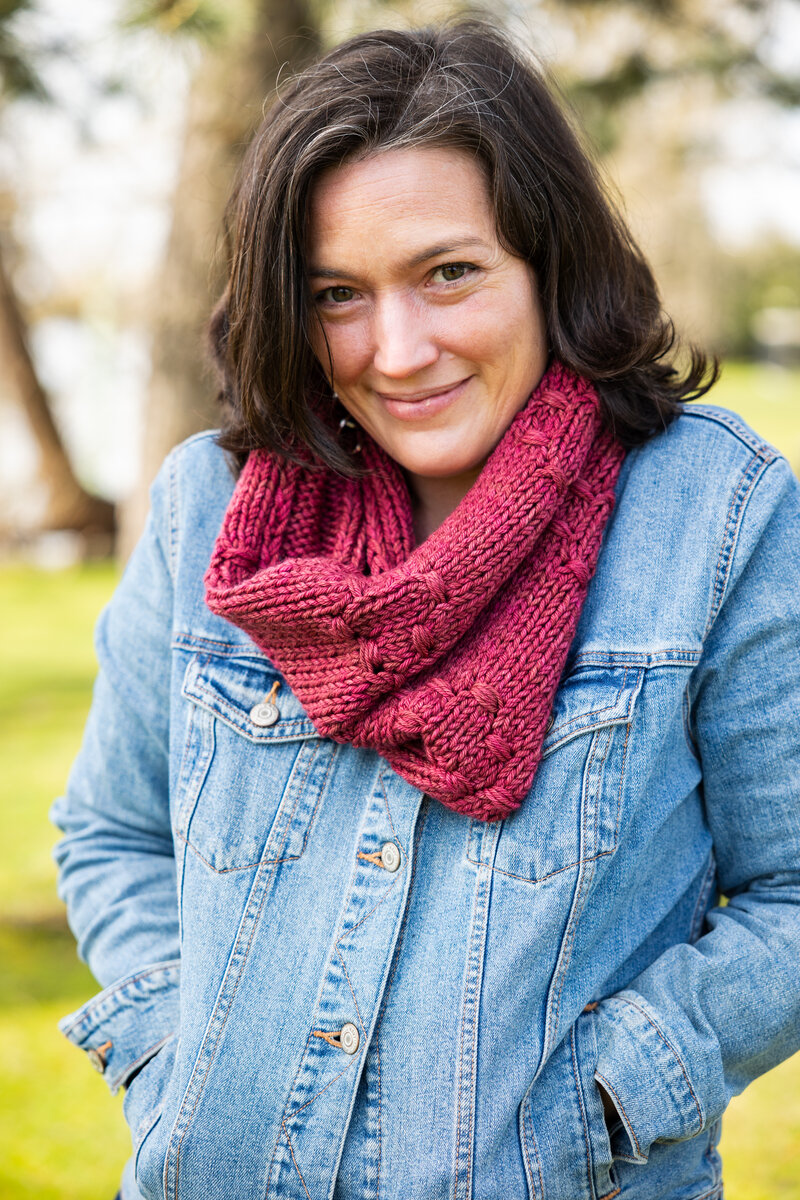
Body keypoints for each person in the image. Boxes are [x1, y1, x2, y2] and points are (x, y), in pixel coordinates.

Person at [51, 21, 800, 1200]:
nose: (397, 351)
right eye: (337, 294)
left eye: (448, 272)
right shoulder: (211, 506)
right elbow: (112, 836)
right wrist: (168, 1061)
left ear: (549, 262)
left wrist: (608, 1094)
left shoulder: (711, 512)